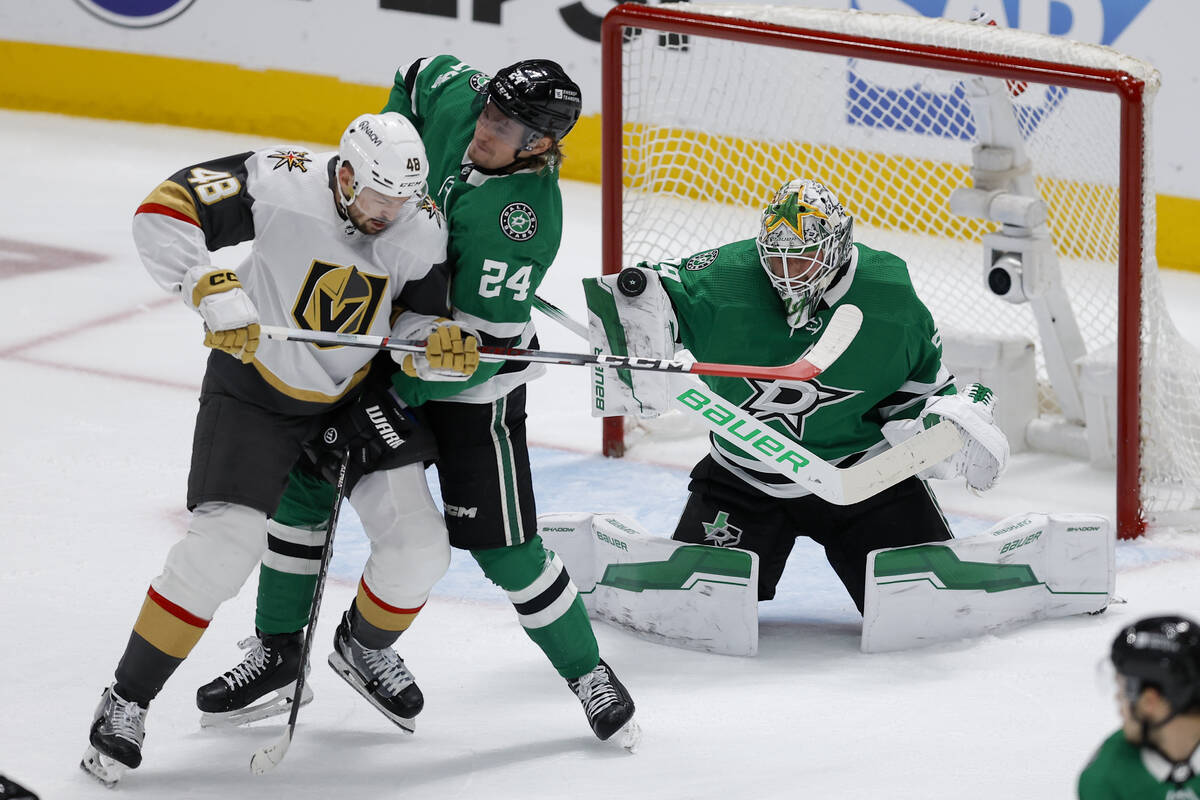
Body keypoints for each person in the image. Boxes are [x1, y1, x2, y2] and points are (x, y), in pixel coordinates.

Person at [195, 56, 638, 745]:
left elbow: (471, 358)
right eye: (489, 112)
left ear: (540, 145)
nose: (483, 129)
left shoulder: (520, 223)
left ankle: (575, 670)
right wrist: (391, 155)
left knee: (505, 548)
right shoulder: (464, 98)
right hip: (381, 346)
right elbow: (418, 70)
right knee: (305, 495)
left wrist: (389, 398)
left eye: (505, 126)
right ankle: (278, 654)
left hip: (464, 385)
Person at [80, 111, 469, 785]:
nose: (387, 215)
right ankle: (126, 700)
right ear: (345, 173)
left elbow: (414, 314)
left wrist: (431, 345)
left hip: (354, 402)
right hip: (255, 391)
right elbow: (164, 207)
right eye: (376, 198)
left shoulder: (419, 224)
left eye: (400, 202)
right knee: (219, 552)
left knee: (421, 549)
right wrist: (203, 284)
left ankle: (363, 648)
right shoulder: (280, 179)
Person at [585, 177, 1009, 612]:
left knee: (927, 608)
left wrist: (943, 429)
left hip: (863, 480)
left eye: (803, 260)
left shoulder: (889, 298)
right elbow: (649, 291)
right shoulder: (726, 277)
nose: (787, 275)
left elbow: (918, 395)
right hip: (744, 474)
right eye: (778, 260)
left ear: (838, 246)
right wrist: (633, 319)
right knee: (696, 610)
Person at [1079, 615, 1200, 799]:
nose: (1120, 710)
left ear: (1149, 701)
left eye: (1122, 696)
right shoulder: (1105, 776)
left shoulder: (1110, 776)